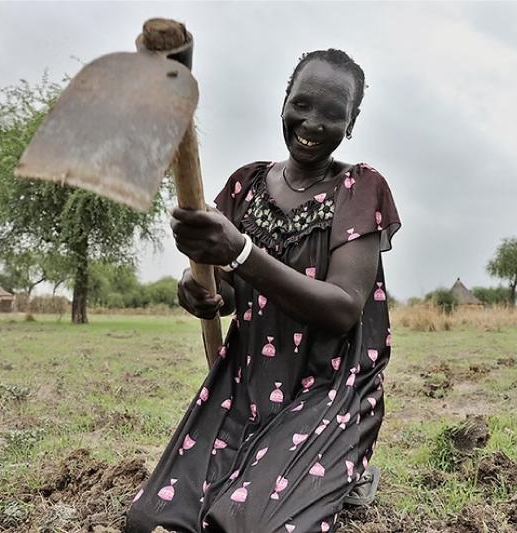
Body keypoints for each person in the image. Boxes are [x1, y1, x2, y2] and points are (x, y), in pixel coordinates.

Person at [126, 49, 401, 533]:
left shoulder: (360, 189)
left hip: (328, 390)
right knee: (155, 520)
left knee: (248, 524)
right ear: (284, 103)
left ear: (351, 124)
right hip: (245, 383)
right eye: (302, 104)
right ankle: (315, 474)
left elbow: (342, 309)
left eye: (333, 114)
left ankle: (347, 469)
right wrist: (196, 287)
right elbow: (226, 292)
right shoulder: (244, 186)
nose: (312, 123)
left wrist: (240, 252)